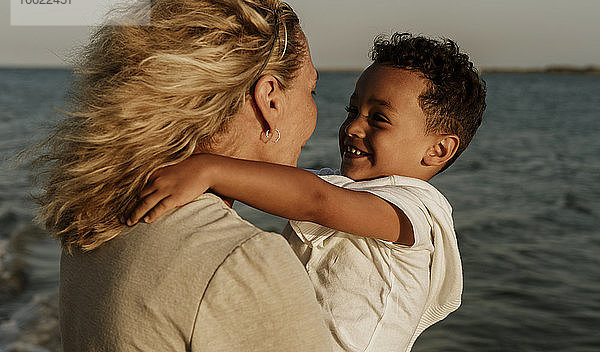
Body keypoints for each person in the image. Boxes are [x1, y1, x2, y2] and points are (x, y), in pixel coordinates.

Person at [33, 0, 334, 351]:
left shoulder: (96, 217)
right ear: (270, 98)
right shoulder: (241, 262)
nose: (315, 112)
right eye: (311, 90)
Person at [129, 33, 487, 351]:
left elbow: (316, 201)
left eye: (378, 118)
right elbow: (281, 183)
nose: (353, 127)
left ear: (438, 150)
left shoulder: (412, 210)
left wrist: (208, 169)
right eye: (352, 110)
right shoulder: (337, 185)